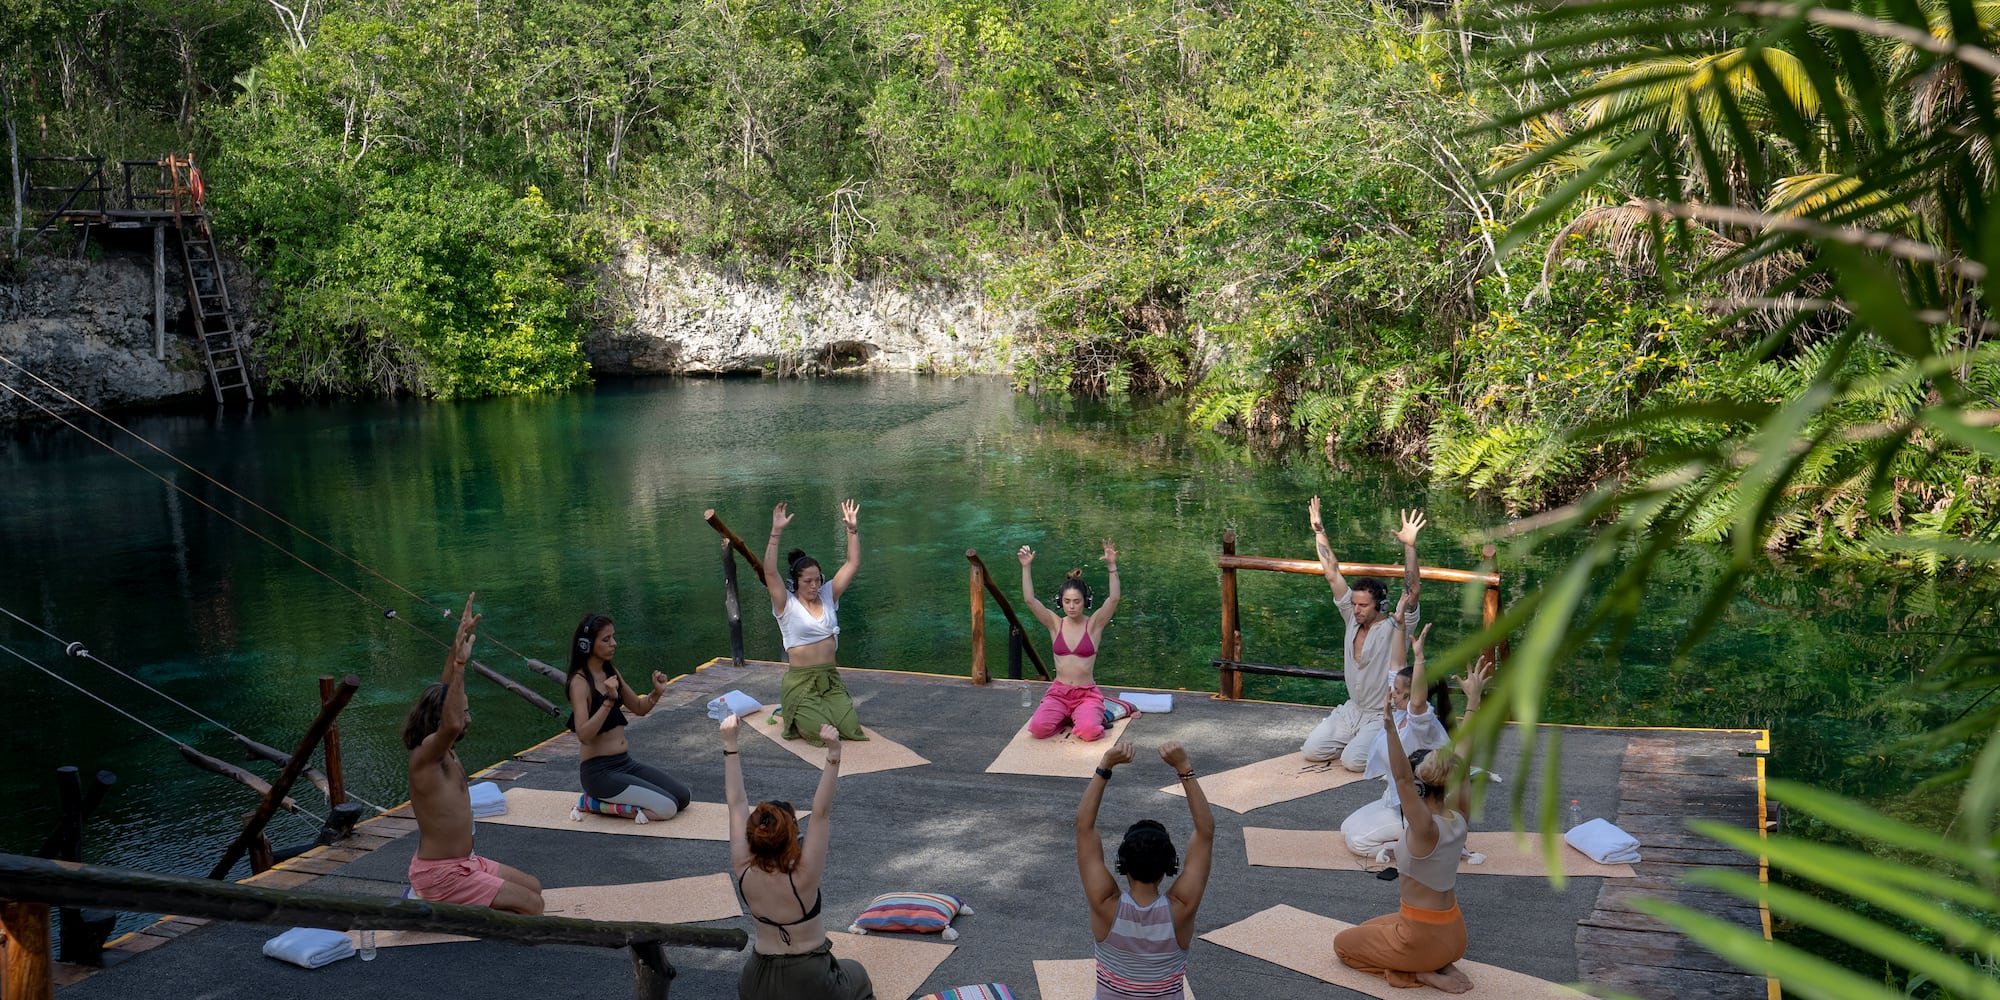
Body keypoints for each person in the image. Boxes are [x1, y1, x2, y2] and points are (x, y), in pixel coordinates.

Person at [1332, 658, 1493, 994]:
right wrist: (1474, 703)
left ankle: (1419, 974)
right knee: (1370, 927)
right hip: (1454, 935)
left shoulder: (1425, 828)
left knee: (1343, 944)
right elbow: (1461, 756)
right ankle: (1437, 961)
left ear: (1419, 789)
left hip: (1422, 938)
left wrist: (1390, 726)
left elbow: (1402, 777)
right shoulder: (1458, 816)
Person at [404, 594, 544, 913]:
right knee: (532, 907)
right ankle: (431, 903)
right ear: (443, 720)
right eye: (464, 713)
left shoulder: (442, 747)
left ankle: (461, 900)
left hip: (467, 863)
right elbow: (452, 722)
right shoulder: (427, 753)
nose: (468, 718)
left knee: (534, 886)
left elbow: (446, 691)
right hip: (440, 875)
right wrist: (461, 665)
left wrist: (459, 640)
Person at [722, 714, 874, 1000]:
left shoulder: (743, 868)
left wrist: (730, 743)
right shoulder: (803, 876)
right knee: (857, 974)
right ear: (792, 836)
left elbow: (736, 804)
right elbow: (820, 812)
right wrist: (834, 753)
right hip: (808, 981)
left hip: (755, 983)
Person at [1077, 740, 1215, 1000]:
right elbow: (1205, 833)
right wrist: (1184, 768)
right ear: (1170, 867)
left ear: (1121, 864)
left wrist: (1105, 765)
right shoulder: (1182, 907)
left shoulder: (1104, 903)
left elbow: (1084, 827)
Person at [1302, 498, 1426, 770]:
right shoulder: (1351, 617)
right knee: (1312, 751)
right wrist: (1319, 530)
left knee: (1354, 761)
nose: (1356, 609)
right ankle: (1364, 739)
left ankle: (1395, 740)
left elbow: (1412, 589)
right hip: (1352, 710)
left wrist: (1409, 546)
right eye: (1354, 604)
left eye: (1363, 605)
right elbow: (1332, 573)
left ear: (1380, 605)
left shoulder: (1397, 624)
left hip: (1381, 712)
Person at [1342, 598, 1454, 858]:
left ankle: (1416, 846)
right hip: (1396, 799)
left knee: (1358, 842)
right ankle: (1410, 836)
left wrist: (1420, 657)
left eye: (1399, 692)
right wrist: (1398, 625)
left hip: (1421, 807)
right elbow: (1396, 666)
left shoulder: (1420, 722)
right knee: (1346, 828)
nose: (1392, 694)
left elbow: (1415, 698)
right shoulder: (1403, 709)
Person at [566, 612, 691, 821]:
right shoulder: (579, 682)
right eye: (606, 640)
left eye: (613, 637)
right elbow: (584, 735)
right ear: (586, 645)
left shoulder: (610, 670)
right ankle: (592, 803)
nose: (614, 643)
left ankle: (607, 801)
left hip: (624, 763)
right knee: (667, 808)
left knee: (682, 797)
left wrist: (657, 692)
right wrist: (608, 700)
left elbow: (639, 708)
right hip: (598, 773)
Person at [762, 500, 867, 747]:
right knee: (821, 734)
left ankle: (818, 710)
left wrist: (852, 531)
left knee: (850, 729)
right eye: (807, 581)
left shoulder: (828, 595)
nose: (813, 586)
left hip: (829, 678)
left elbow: (852, 564)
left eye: (817, 580)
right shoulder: (785, 604)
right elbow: (769, 573)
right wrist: (775, 533)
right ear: (796, 582)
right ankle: (796, 712)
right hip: (801, 680)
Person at [1017, 540, 1122, 741]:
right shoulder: (1055, 624)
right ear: (1060, 602)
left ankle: (1097, 713)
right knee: (1038, 730)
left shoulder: (1094, 624)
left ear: (1086, 602)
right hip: (1059, 692)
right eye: (1066, 601)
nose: (1071, 606)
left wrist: (1111, 565)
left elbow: (1114, 599)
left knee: (1090, 732)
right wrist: (1026, 567)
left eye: (1076, 601)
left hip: (1086, 694)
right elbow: (1030, 600)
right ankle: (1069, 716)